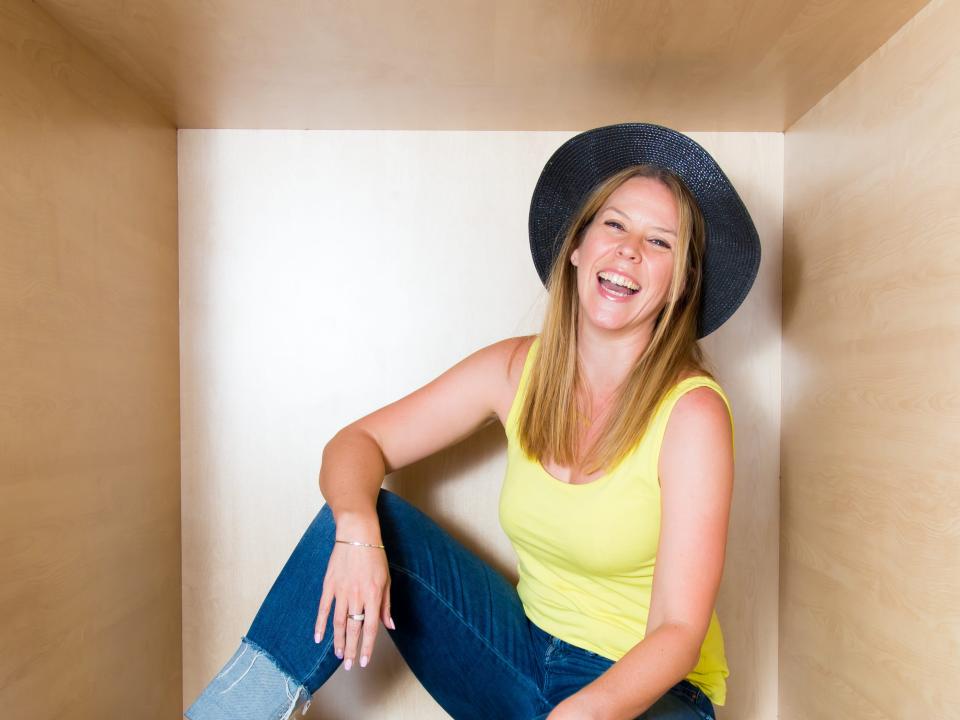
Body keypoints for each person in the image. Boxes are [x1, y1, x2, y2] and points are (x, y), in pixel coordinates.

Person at [184, 122, 760, 720]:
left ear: (680, 283)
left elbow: (678, 630)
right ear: (577, 246)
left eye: (660, 242)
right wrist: (357, 529)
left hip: (647, 695)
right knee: (358, 516)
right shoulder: (515, 370)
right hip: (525, 657)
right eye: (614, 224)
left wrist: (578, 715)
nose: (629, 250)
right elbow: (358, 442)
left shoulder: (692, 413)